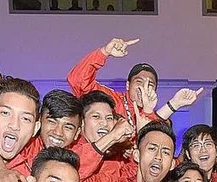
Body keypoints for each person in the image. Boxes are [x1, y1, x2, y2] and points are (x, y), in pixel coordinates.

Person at [67, 39, 202, 145]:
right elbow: (77, 81)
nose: (144, 88)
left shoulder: (150, 114)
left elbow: (148, 139)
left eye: (150, 84)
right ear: (127, 85)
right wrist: (104, 52)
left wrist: (175, 103)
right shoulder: (111, 100)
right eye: (139, 82)